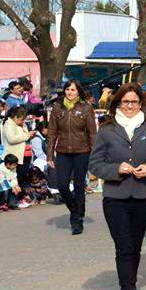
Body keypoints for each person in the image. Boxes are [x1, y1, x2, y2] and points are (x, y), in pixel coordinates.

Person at [88, 83, 146, 290]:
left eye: (134, 102)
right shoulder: (107, 129)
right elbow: (95, 164)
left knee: (135, 247)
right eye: (126, 102)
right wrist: (116, 169)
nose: (130, 106)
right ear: (117, 103)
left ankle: (129, 288)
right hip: (115, 198)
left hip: (143, 197)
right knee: (124, 247)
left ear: (141, 103)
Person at [47, 80, 98, 235]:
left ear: (78, 92)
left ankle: (77, 220)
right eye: (68, 89)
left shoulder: (86, 108)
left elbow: (92, 133)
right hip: (63, 152)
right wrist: (50, 154)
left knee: (78, 185)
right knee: (62, 185)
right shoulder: (57, 108)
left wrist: (95, 154)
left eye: (73, 90)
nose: (70, 92)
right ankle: (75, 209)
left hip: (82, 151)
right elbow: (52, 133)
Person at [2, 106, 36, 180]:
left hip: (26, 155)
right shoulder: (8, 125)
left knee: (23, 177)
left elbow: (24, 138)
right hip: (15, 157)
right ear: (15, 117)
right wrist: (28, 135)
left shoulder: (23, 124)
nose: (23, 121)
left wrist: (31, 136)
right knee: (16, 178)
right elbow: (12, 139)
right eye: (22, 119)